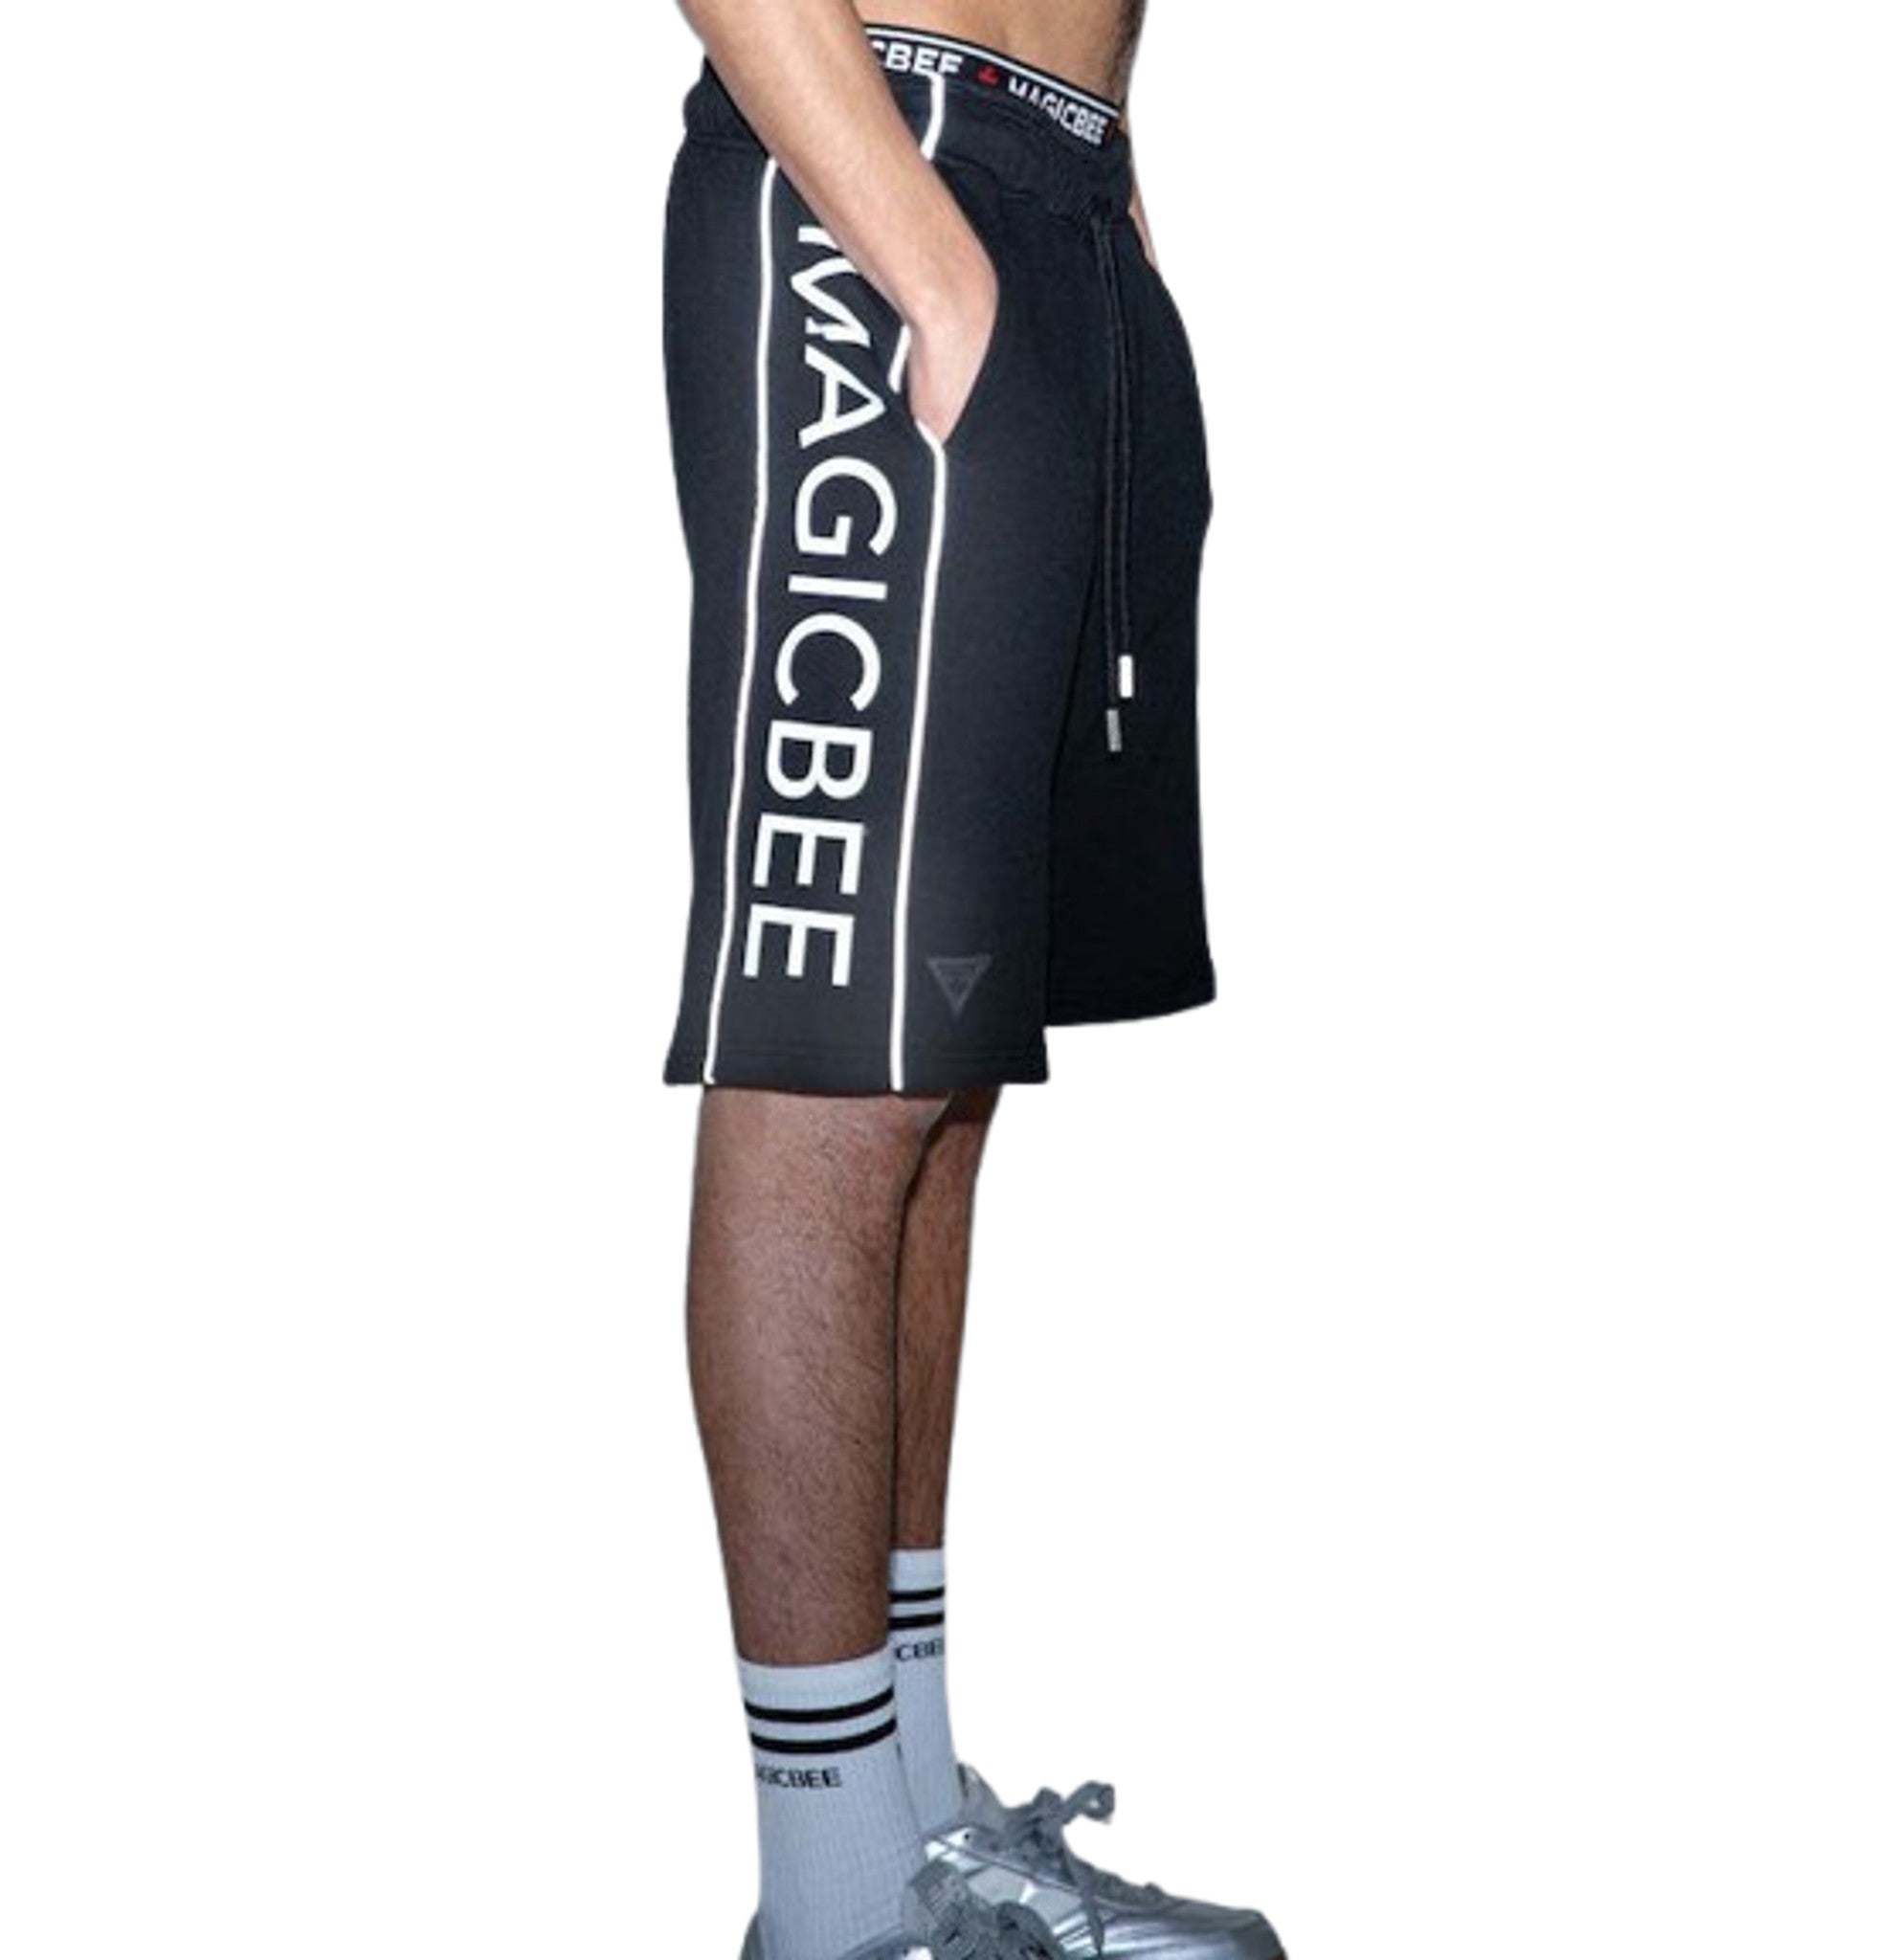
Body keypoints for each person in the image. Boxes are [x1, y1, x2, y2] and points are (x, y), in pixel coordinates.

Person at [659, 5, 1283, 1957]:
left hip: (1059, 189)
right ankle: (832, 1898)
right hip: (883, 166)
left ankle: (916, 1826)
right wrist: (924, 258)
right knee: (834, 1063)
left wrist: (1103, 219)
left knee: (939, 1064)